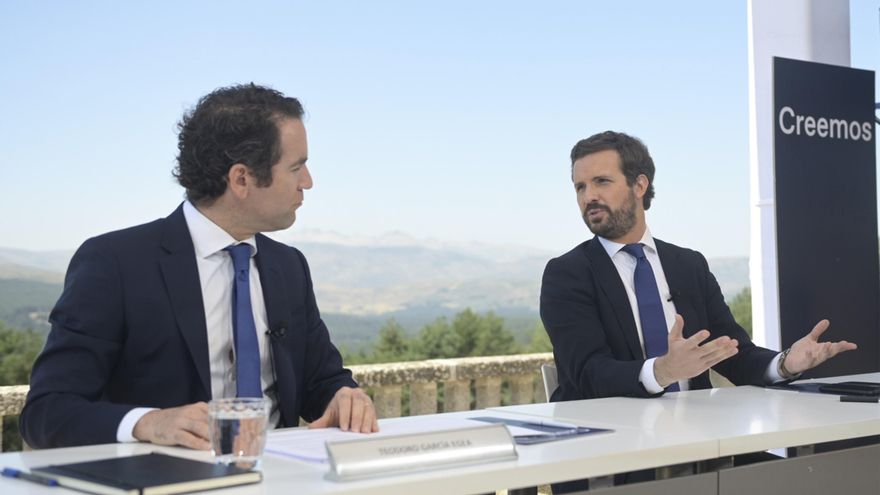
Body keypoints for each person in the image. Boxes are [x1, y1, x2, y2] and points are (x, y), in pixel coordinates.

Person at [21, 84, 378, 450]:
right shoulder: (114, 263)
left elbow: (320, 381)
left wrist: (342, 396)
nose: (308, 182)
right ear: (242, 179)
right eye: (296, 167)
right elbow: (48, 411)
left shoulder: (289, 267)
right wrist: (147, 423)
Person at [541, 130, 857, 403]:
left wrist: (785, 363)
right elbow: (586, 373)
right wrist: (662, 371)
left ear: (639, 185)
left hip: (697, 440)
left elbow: (733, 353)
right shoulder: (567, 274)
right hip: (612, 451)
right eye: (580, 187)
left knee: (786, 469)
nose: (589, 196)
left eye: (601, 182)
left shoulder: (688, 265)